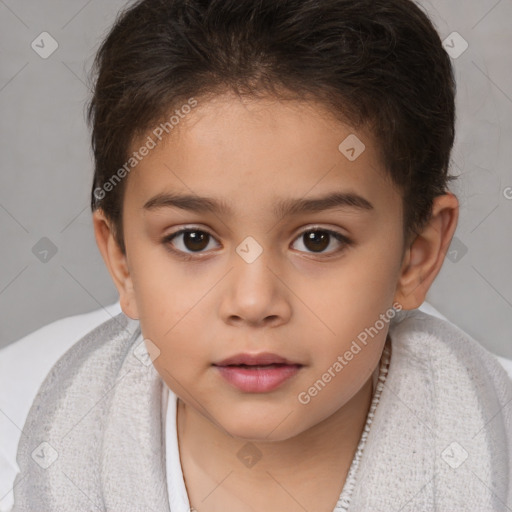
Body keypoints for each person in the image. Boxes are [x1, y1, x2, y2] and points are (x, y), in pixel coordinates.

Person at [7, 0, 512, 510]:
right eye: (194, 239)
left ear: (416, 256)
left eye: (318, 239)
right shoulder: (16, 424)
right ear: (122, 260)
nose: (253, 302)